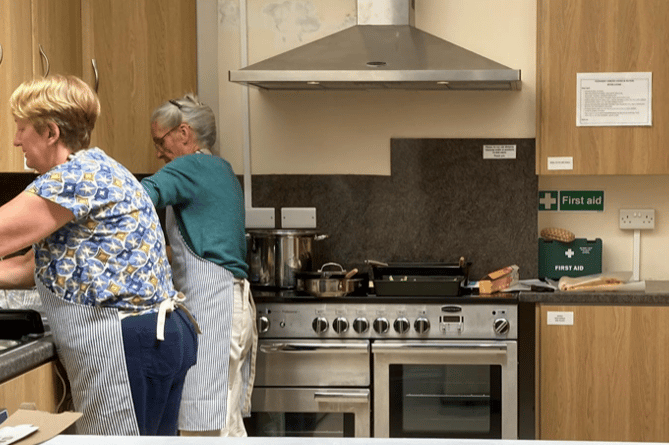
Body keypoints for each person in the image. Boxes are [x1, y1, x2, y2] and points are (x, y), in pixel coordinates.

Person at [0, 75, 199, 436]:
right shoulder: (99, 168)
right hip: (158, 334)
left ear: (50, 133)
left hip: (127, 342)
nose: (15, 140)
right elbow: (35, 266)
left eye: (21, 128)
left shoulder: (72, 178)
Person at [141, 94, 257, 437]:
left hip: (213, 311)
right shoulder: (220, 169)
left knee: (202, 428)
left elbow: (138, 198)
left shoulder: (188, 167)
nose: (159, 152)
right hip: (234, 308)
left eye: (160, 141)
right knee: (227, 424)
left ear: (184, 133)